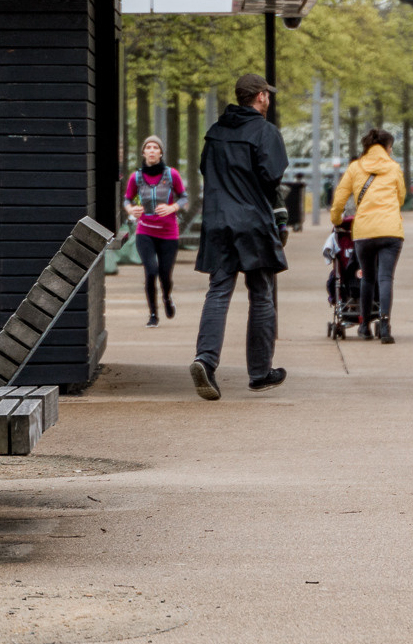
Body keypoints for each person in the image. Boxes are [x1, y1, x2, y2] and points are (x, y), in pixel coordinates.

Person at [189, 73, 290, 400]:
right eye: (267, 95)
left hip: (217, 220)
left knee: (218, 290)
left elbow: (206, 169)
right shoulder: (264, 132)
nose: (269, 100)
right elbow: (271, 176)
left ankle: (205, 359)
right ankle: (260, 372)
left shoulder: (215, 132)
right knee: (260, 292)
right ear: (260, 96)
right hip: (252, 222)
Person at [331, 127, 409, 343]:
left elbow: (340, 198)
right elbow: (401, 197)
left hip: (363, 231)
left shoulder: (355, 168)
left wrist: (336, 219)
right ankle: (384, 325)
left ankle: (364, 325)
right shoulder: (394, 168)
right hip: (391, 231)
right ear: (386, 148)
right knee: (385, 277)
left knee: (367, 276)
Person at [124, 135, 185, 327]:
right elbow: (127, 199)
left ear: (160, 152)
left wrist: (172, 208)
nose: (151, 150)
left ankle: (166, 297)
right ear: (143, 153)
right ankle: (153, 314)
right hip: (145, 232)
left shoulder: (171, 174)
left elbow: (183, 197)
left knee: (165, 274)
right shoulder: (137, 177)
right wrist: (131, 209)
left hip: (168, 233)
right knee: (151, 271)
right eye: (148, 147)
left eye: (155, 147)